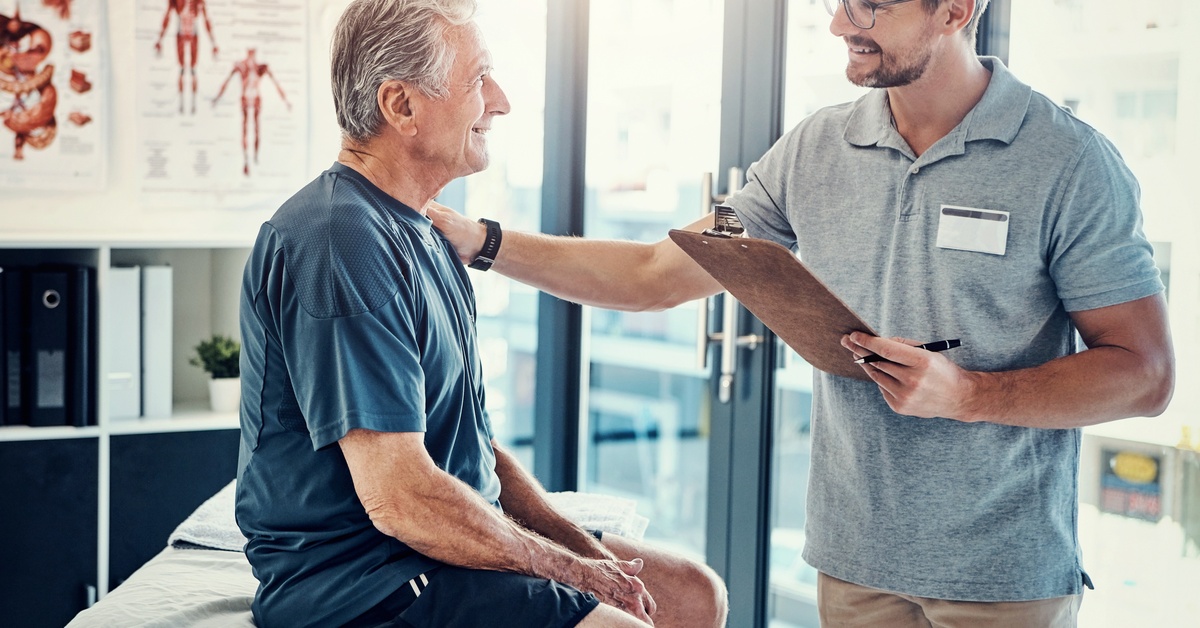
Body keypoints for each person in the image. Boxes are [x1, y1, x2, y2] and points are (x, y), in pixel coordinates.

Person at [429, 0, 1176, 626]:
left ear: (955, 10)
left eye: (871, 6)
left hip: (1000, 576)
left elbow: (1144, 374)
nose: (841, 23)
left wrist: (972, 395)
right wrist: (485, 240)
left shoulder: (1069, 162)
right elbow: (661, 271)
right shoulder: (817, 149)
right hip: (852, 562)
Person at [235, 1, 727, 627]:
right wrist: (573, 573)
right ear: (401, 106)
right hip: (365, 578)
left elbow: (469, 444)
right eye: (478, 80)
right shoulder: (342, 240)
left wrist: (585, 552)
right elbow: (401, 498)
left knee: (692, 594)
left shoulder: (428, 231)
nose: (500, 101)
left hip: (437, 546)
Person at [212, 48, 291, 176]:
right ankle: (246, 160)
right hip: (245, 98)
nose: (251, 56)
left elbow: (275, 83)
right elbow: (227, 81)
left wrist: (285, 100)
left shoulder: (260, 67)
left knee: (256, 129)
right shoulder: (241, 66)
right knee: (245, 130)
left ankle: (254, 158)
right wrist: (217, 98)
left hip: (255, 99)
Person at [153, 0, 217, 114]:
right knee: (182, 70)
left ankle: (193, 105)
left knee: (193, 71)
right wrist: (160, 39)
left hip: (193, 34)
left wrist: (213, 43)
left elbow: (206, 19)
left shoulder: (199, 1)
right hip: (181, 34)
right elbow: (167, 17)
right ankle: (181, 105)